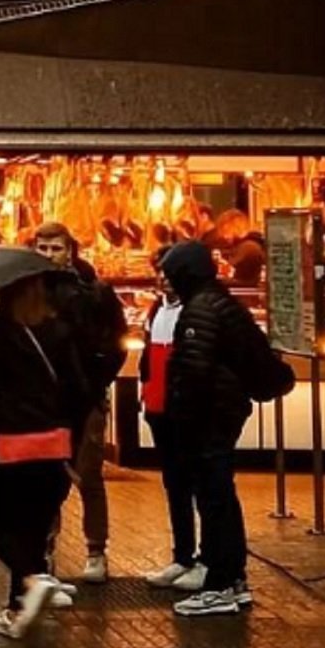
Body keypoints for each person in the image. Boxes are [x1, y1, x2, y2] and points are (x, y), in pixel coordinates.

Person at [162, 241, 294, 616]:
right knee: (221, 495)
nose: (167, 281)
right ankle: (232, 580)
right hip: (225, 412)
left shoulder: (201, 310)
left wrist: (181, 421)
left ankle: (221, 583)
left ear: (185, 273)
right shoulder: (221, 302)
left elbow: (195, 372)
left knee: (214, 497)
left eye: (171, 273)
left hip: (210, 418)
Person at [0, 272, 87, 639]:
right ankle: (18, 608)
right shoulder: (60, 331)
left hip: (9, 443)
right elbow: (79, 390)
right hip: (53, 444)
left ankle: (32, 580)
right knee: (34, 528)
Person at [33, 221, 127, 584]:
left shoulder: (95, 291)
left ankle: (96, 548)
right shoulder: (31, 291)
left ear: (69, 249)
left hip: (86, 396)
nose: (49, 255)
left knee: (89, 475)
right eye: (43, 248)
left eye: (55, 248)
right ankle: (46, 550)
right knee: (46, 477)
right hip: (46, 399)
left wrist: (98, 381)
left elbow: (116, 340)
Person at [141, 249, 204, 592]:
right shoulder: (156, 309)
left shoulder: (194, 311)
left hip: (184, 411)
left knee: (199, 485)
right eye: (159, 272)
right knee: (175, 485)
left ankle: (204, 559)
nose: (163, 278)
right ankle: (182, 555)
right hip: (159, 409)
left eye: (169, 272)